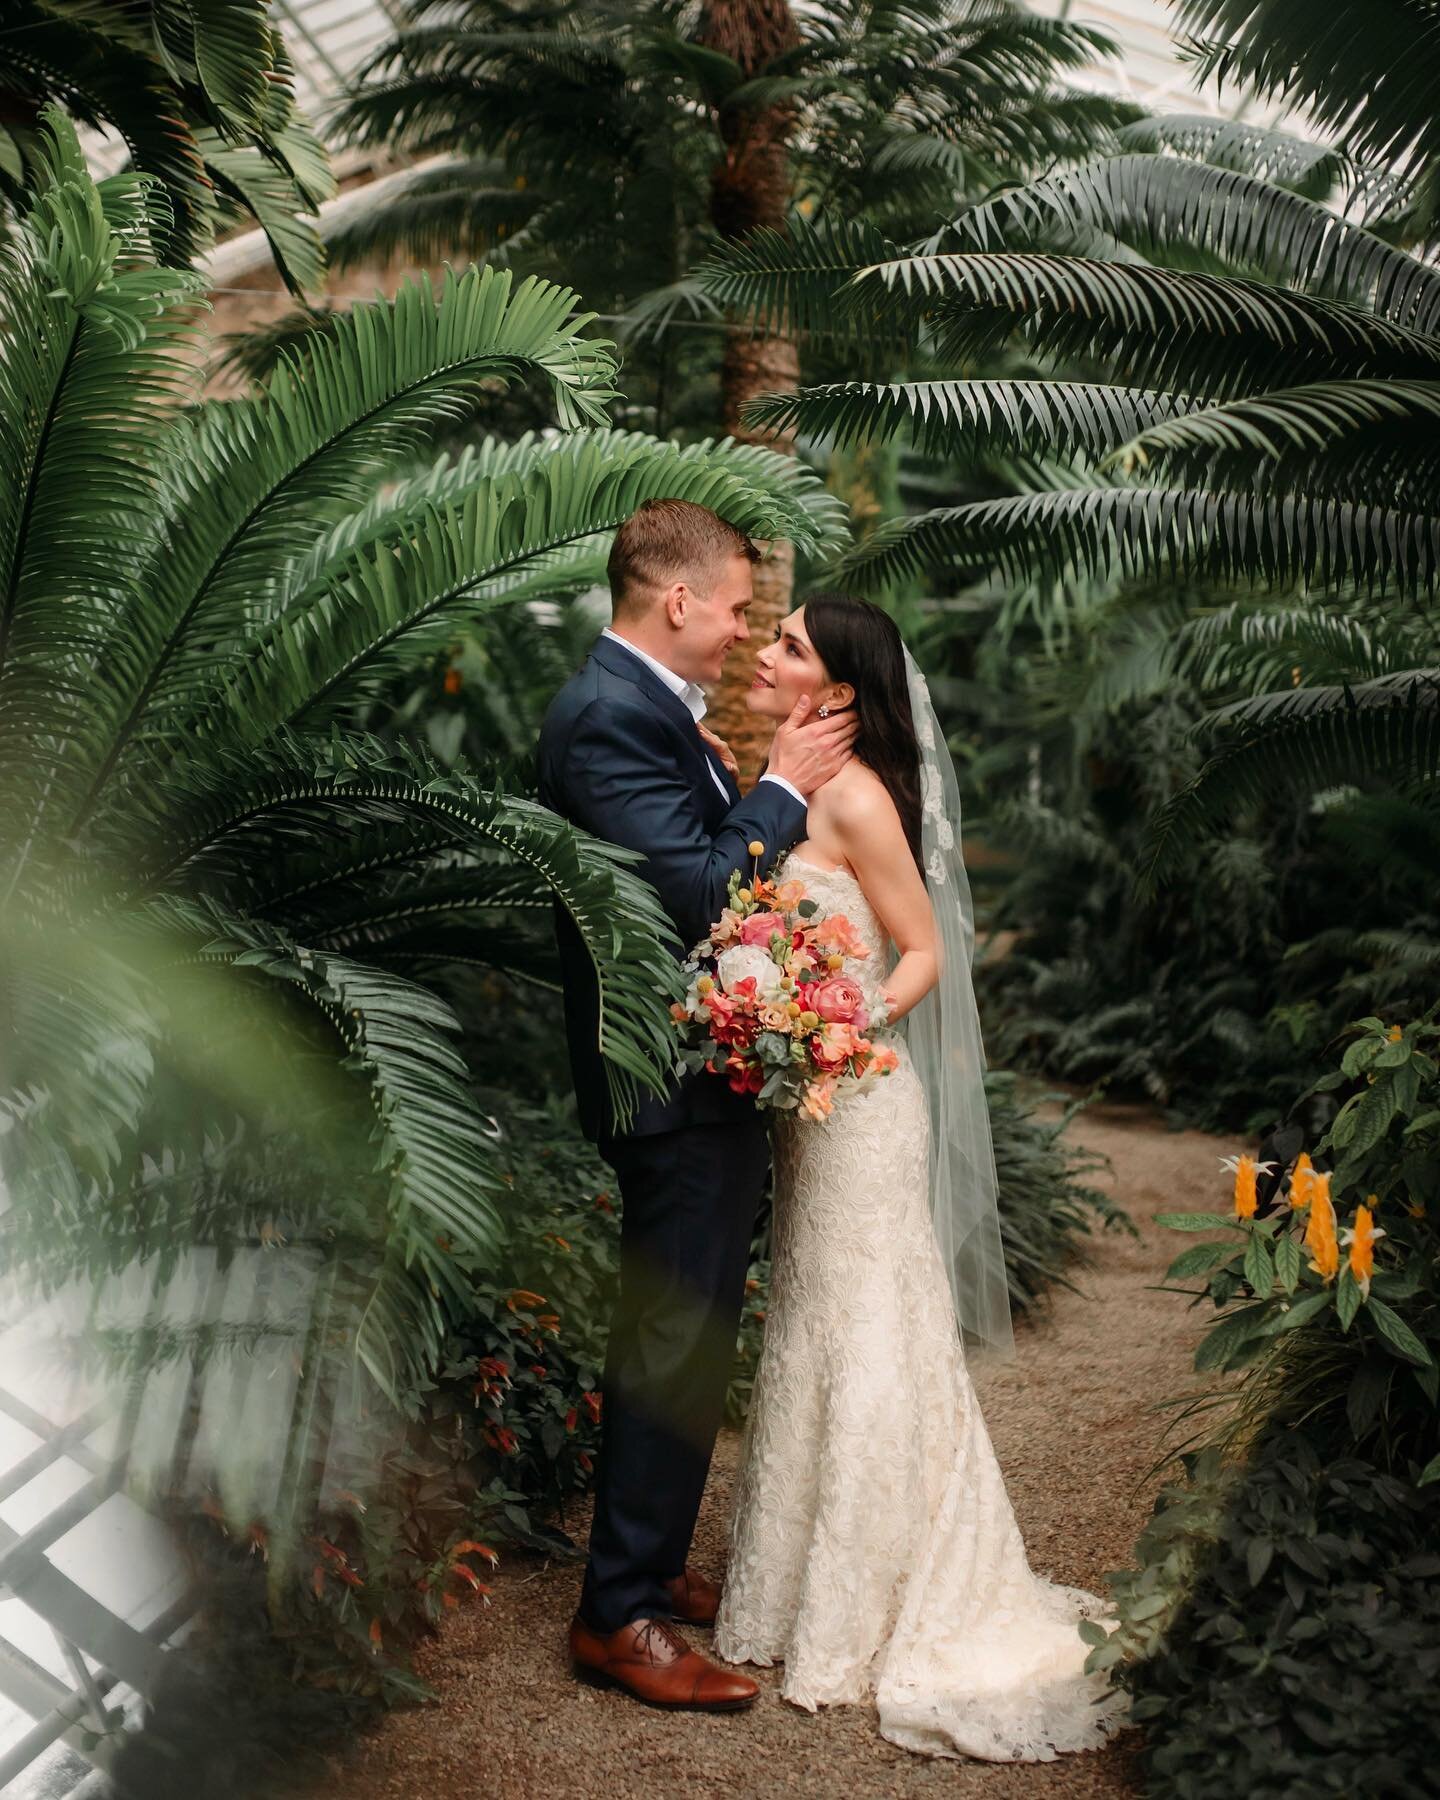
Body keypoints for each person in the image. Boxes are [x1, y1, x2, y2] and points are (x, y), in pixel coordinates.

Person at [713, 594, 1130, 1762]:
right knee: (814, 1324)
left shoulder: (852, 799)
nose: (769, 652)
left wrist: (833, 1030)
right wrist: (787, 1028)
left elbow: (926, 953)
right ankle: (800, 1590)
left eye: (790, 644)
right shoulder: (790, 785)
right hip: (814, 1104)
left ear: (838, 692)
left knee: (867, 1324)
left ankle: (880, 1599)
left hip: (858, 1101)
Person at [536, 500, 857, 1711]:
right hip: (664, 1087)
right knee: (671, 1342)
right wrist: (776, 788)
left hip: (699, 1083)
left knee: (687, 1335)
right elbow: (695, 896)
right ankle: (618, 1614)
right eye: (733, 608)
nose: (738, 634)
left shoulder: (642, 711)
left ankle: (650, 1572)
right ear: (677, 601)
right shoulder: (608, 720)